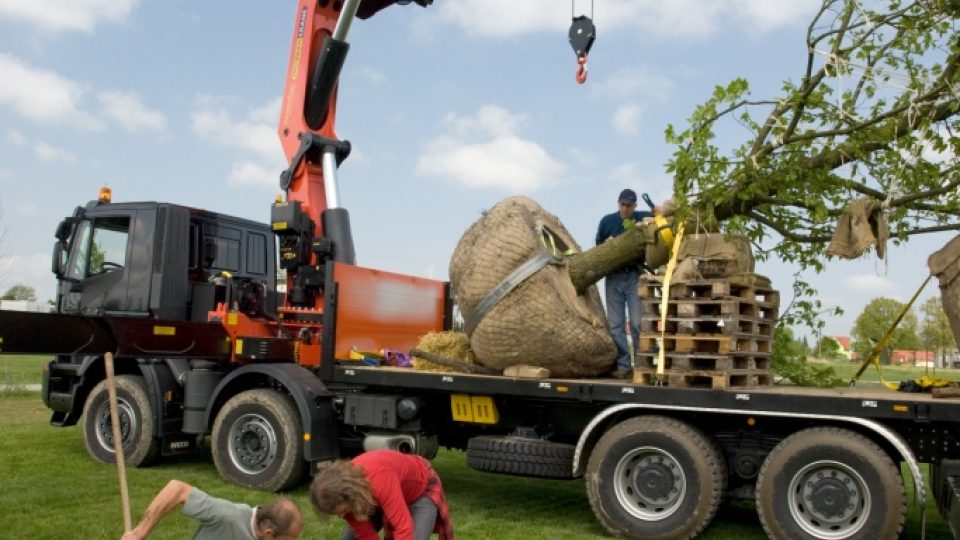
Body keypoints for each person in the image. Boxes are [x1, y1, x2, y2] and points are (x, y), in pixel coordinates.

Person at [310, 449, 453, 540]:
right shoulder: (347, 498)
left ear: (349, 494)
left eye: (342, 511)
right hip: (376, 496)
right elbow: (366, 535)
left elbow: (403, 527)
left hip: (420, 490)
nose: (342, 516)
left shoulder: (379, 478)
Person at [120, 479, 303, 540]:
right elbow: (177, 489)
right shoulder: (227, 515)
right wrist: (139, 533)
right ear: (269, 533)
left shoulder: (260, 535)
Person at [595, 188, 654, 379]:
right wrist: (606, 244)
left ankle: (641, 364)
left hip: (634, 277)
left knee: (637, 323)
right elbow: (597, 248)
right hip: (613, 277)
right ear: (618, 203)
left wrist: (658, 211)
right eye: (623, 204)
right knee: (616, 326)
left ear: (635, 206)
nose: (626, 208)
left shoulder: (641, 218)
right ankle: (624, 365)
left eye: (629, 205)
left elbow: (658, 215)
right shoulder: (607, 221)